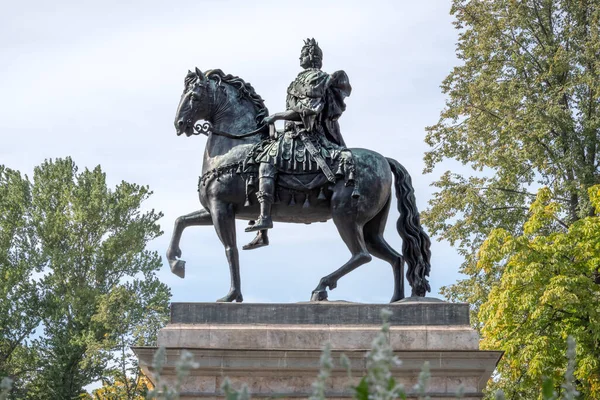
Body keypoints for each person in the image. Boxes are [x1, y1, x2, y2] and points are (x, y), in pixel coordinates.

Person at [244, 38, 354, 235]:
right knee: (258, 150)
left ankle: (265, 217)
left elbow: (307, 111)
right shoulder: (302, 79)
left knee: (267, 161)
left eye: (303, 54)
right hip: (292, 133)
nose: (300, 57)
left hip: (307, 136)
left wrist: (276, 116)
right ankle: (259, 228)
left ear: (311, 57)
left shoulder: (315, 79)